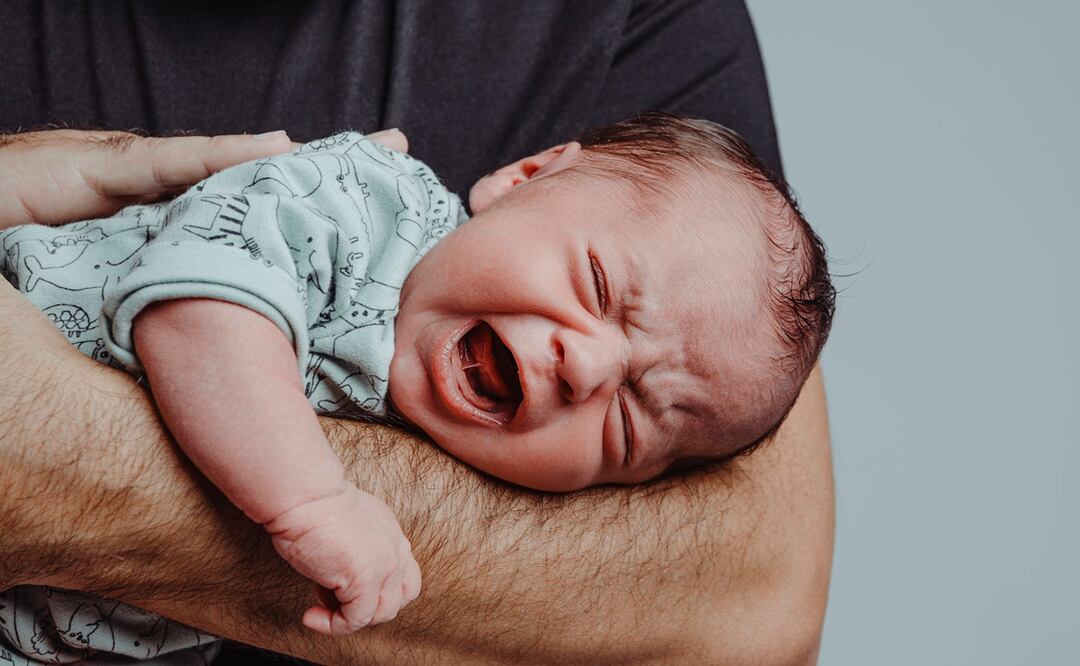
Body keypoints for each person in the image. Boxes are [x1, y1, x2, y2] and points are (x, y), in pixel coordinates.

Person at [0, 2, 835, 663]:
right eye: (598, 286)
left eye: (626, 421)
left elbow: (762, 610)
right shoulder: (368, 205)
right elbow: (198, 314)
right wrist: (313, 501)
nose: (586, 366)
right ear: (523, 179)